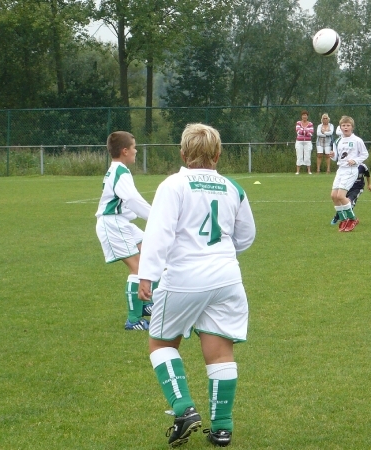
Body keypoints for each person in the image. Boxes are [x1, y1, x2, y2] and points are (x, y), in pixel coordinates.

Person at [137, 123, 256, 448]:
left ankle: (184, 409)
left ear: (182, 153)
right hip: (227, 277)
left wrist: (145, 274)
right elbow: (246, 235)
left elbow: (159, 233)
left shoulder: (173, 185)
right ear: (217, 155)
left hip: (185, 277)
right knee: (219, 353)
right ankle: (222, 428)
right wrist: (221, 255)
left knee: (161, 344)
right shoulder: (233, 188)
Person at [95, 131, 154, 331]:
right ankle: (133, 319)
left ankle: (145, 303)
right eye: (134, 147)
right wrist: (156, 217)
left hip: (121, 222)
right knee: (137, 268)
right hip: (113, 224)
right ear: (125, 151)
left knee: (150, 253)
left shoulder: (119, 170)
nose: (136, 150)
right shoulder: (120, 172)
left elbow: (129, 202)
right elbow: (132, 200)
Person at [329, 116, 369, 232]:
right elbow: (337, 157)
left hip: (351, 170)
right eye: (343, 125)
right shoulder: (337, 141)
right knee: (333, 196)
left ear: (352, 127)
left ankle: (353, 219)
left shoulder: (357, 140)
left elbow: (364, 154)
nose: (345, 127)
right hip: (340, 169)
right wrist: (332, 156)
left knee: (341, 196)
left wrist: (355, 161)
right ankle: (343, 219)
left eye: (348, 125)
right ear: (340, 127)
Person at [295, 110, 314, 175]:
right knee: (299, 155)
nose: (304, 116)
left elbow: (311, 133)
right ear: (301, 116)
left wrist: (303, 131)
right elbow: (298, 131)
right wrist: (306, 131)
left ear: (307, 116)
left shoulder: (310, 124)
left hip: (308, 141)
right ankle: (297, 171)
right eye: (303, 115)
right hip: (299, 141)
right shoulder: (298, 123)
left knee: (308, 155)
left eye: (305, 115)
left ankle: (309, 171)